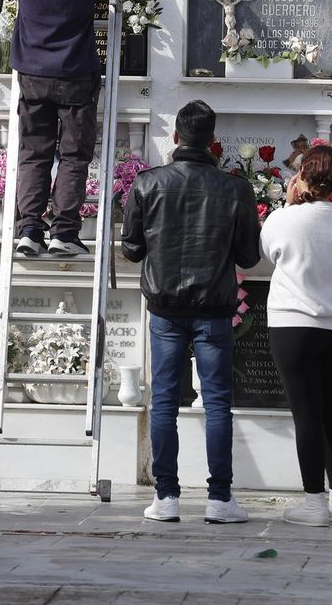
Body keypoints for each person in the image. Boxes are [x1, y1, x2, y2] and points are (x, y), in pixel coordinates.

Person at [121, 100, 261, 524]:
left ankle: (166, 497)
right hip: (214, 307)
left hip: (165, 307)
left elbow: (131, 250)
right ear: (213, 140)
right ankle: (219, 499)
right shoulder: (236, 189)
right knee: (217, 403)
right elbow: (249, 257)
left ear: (176, 137)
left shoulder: (148, 184)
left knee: (164, 401)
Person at [0, 0, 137, 258]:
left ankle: (29, 230)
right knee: (73, 155)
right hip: (75, 73)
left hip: (32, 74)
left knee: (34, 153)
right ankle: (64, 233)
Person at [260, 144, 332, 527]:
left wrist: (289, 205)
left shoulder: (282, 220)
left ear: (301, 176)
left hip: (293, 325)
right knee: (331, 412)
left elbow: (267, 254)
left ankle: (314, 503)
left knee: (306, 415)